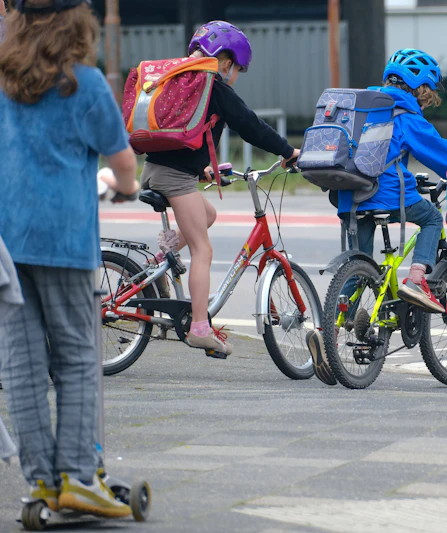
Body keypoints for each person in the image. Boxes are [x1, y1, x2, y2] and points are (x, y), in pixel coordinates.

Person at [0, 0, 139, 517]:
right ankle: (80, 475)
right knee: (79, 356)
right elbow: (122, 159)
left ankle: (41, 481)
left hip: (6, 242)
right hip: (63, 240)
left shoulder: (2, 80)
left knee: (22, 364)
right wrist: (124, 187)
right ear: (79, 24)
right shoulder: (83, 83)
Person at [141, 21, 300, 356]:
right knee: (203, 251)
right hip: (173, 177)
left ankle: (160, 261)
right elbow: (251, 126)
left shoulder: (181, 77)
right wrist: (288, 151)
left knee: (208, 214)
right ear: (226, 61)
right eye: (238, 68)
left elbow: (182, 136)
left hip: (158, 169)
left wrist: (203, 171)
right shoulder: (211, 84)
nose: (236, 74)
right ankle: (200, 326)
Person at [305, 49, 447, 385]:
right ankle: (417, 280)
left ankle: (327, 329)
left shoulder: (363, 106)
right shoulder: (403, 113)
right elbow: (443, 155)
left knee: (358, 265)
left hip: (349, 194)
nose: (428, 99)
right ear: (420, 87)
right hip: (387, 191)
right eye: (428, 92)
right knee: (431, 218)